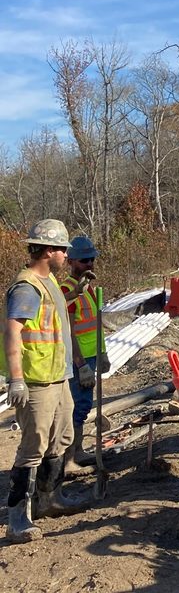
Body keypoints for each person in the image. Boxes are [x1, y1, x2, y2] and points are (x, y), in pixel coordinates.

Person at [2, 220, 85, 542]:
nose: (67, 255)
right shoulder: (26, 287)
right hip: (37, 379)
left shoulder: (49, 281)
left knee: (60, 438)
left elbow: (58, 319)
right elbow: (13, 331)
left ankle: (50, 498)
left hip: (58, 376)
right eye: (63, 250)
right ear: (49, 250)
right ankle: (17, 518)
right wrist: (16, 379)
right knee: (32, 447)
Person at [59, 235, 102, 472]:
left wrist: (101, 353)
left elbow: (95, 325)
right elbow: (69, 331)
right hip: (79, 360)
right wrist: (81, 363)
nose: (90, 264)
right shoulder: (68, 290)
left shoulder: (88, 289)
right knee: (77, 406)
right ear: (72, 261)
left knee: (84, 405)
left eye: (92, 259)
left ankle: (78, 451)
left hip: (90, 356)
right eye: (85, 260)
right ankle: (69, 459)